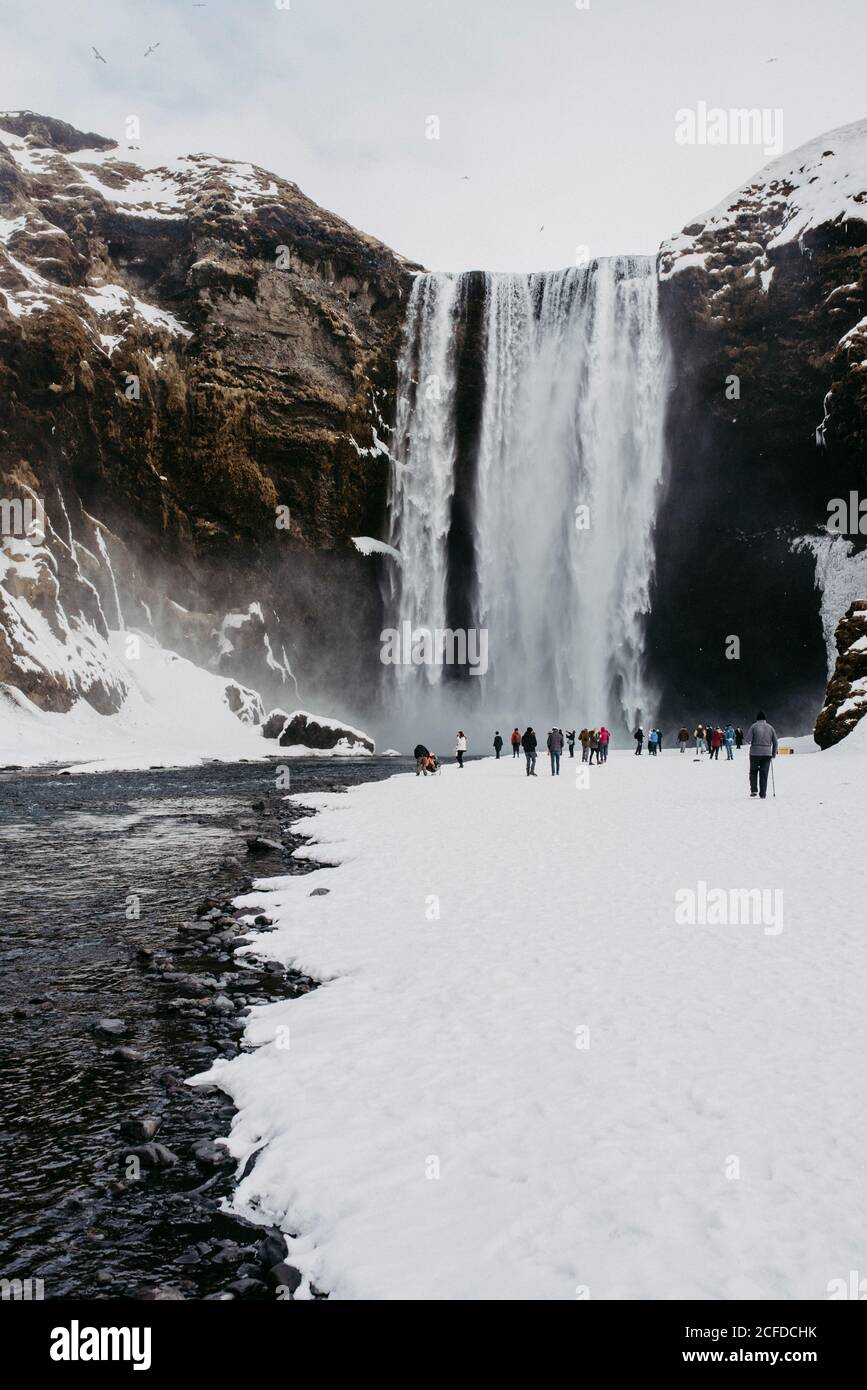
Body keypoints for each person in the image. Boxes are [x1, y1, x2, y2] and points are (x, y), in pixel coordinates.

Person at [746, 710, 778, 798]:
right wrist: (773, 753)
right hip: (767, 754)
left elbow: (747, 739)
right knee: (764, 773)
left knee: (753, 771)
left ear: (757, 719)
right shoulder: (770, 727)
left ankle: (754, 790)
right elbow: (775, 742)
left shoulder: (754, 726)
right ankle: (763, 793)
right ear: (765, 719)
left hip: (755, 753)